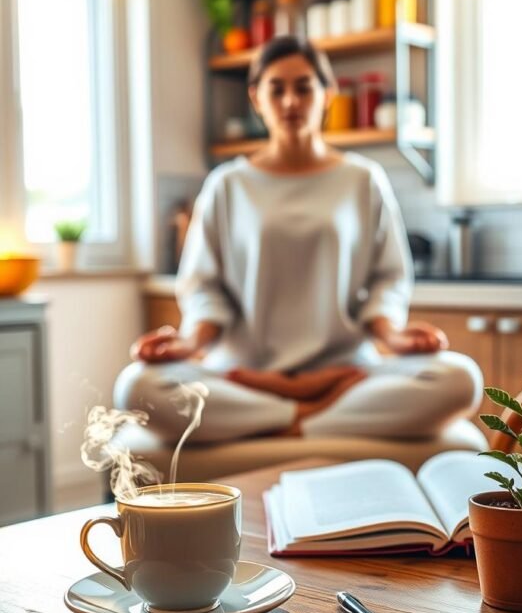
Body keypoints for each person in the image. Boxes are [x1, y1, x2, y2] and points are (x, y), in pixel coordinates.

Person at [114, 36, 482, 443]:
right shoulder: (227, 185)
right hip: (244, 374)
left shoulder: (363, 180)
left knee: (461, 378)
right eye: (277, 89)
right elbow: (204, 288)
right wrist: (187, 343)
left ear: (328, 94)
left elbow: (387, 280)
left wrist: (393, 336)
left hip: (346, 372)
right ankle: (309, 415)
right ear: (256, 98)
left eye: (304, 87)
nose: (291, 102)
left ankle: (279, 419)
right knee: (137, 387)